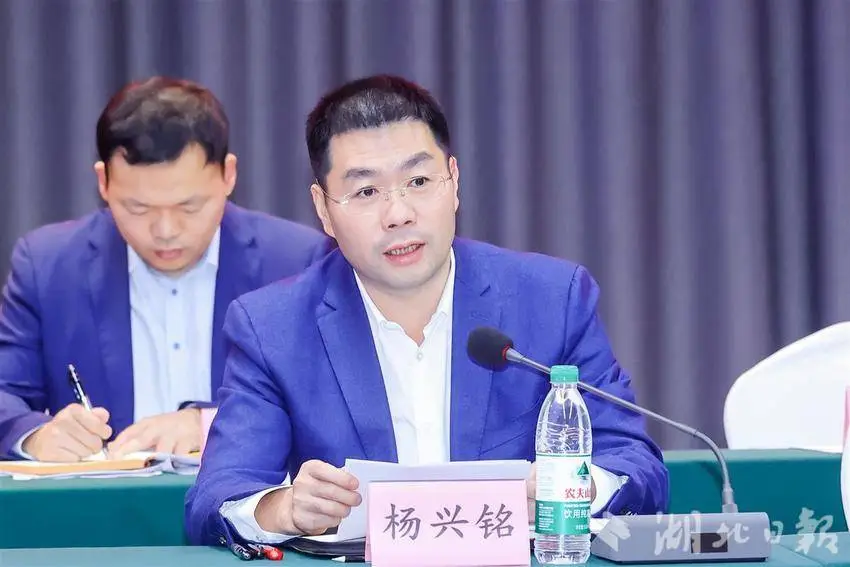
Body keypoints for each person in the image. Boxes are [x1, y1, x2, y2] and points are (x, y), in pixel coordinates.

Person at [185, 75, 668, 546]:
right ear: (324, 209)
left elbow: (635, 464)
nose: (398, 215)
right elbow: (217, 497)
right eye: (366, 192)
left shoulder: (551, 300)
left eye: (418, 181)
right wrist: (283, 508)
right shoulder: (272, 327)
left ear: (453, 182)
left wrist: (575, 489)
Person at [0, 76, 332, 462]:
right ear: (103, 182)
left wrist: (209, 423)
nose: (166, 231)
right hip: (105, 498)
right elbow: (6, 393)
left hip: (247, 499)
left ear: (228, 175)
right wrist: (36, 435)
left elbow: (330, 399)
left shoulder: (297, 261)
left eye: (189, 206)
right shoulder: (48, 267)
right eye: (138, 208)